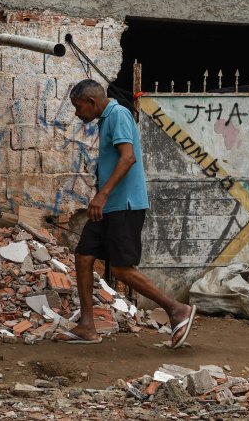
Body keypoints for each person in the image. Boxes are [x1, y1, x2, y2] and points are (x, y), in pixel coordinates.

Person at [67, 79, 196, 347]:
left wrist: (102, 195)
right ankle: (87, 326)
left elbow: (128, 158)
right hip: (108, 206)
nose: (77, 113)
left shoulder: (118, 115)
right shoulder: (106, 119)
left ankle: (177, 309)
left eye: (78, 107)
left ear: (91, 102)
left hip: (124, 205)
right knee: (83, 256)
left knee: (122, 269)